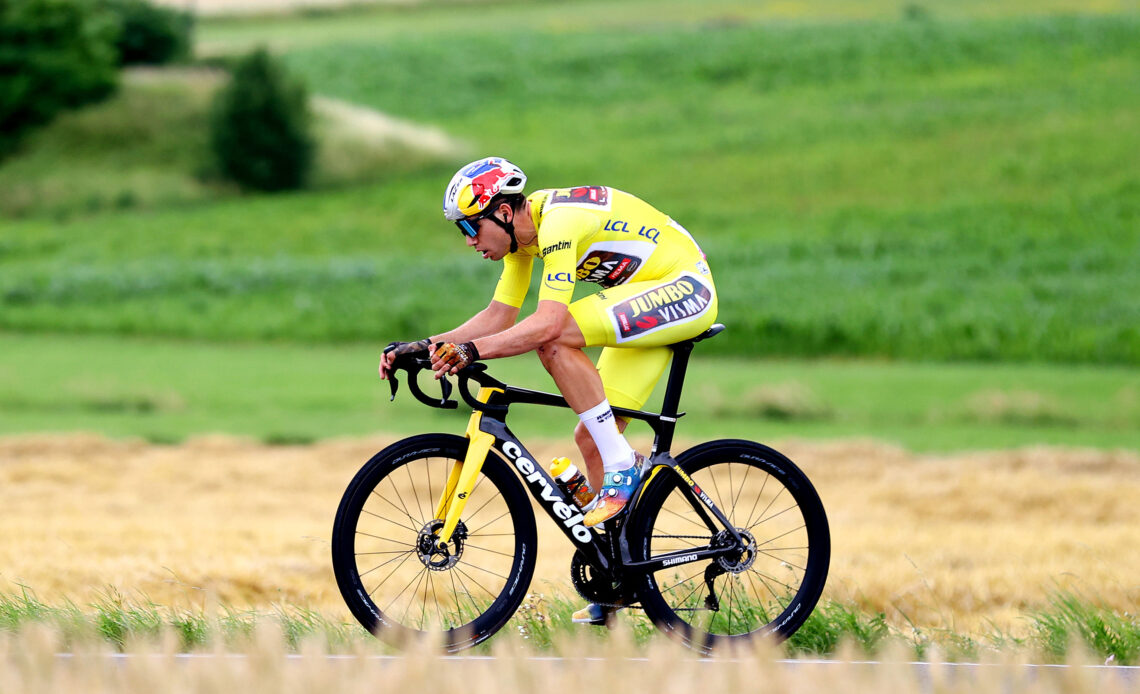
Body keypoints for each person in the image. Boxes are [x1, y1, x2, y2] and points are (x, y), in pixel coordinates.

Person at [379, 156, 718, 621]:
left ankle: (624, 466)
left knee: (554, 340)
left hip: (682, 288)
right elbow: (499, 316)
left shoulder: (558, 223)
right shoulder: (522, 240)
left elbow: (547, 324)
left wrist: (472, 353)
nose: (469, 241)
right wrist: (424, 346)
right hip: (642, 300)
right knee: (591, 439)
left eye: (470, 227)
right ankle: (619, 580)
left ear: (501, 211)